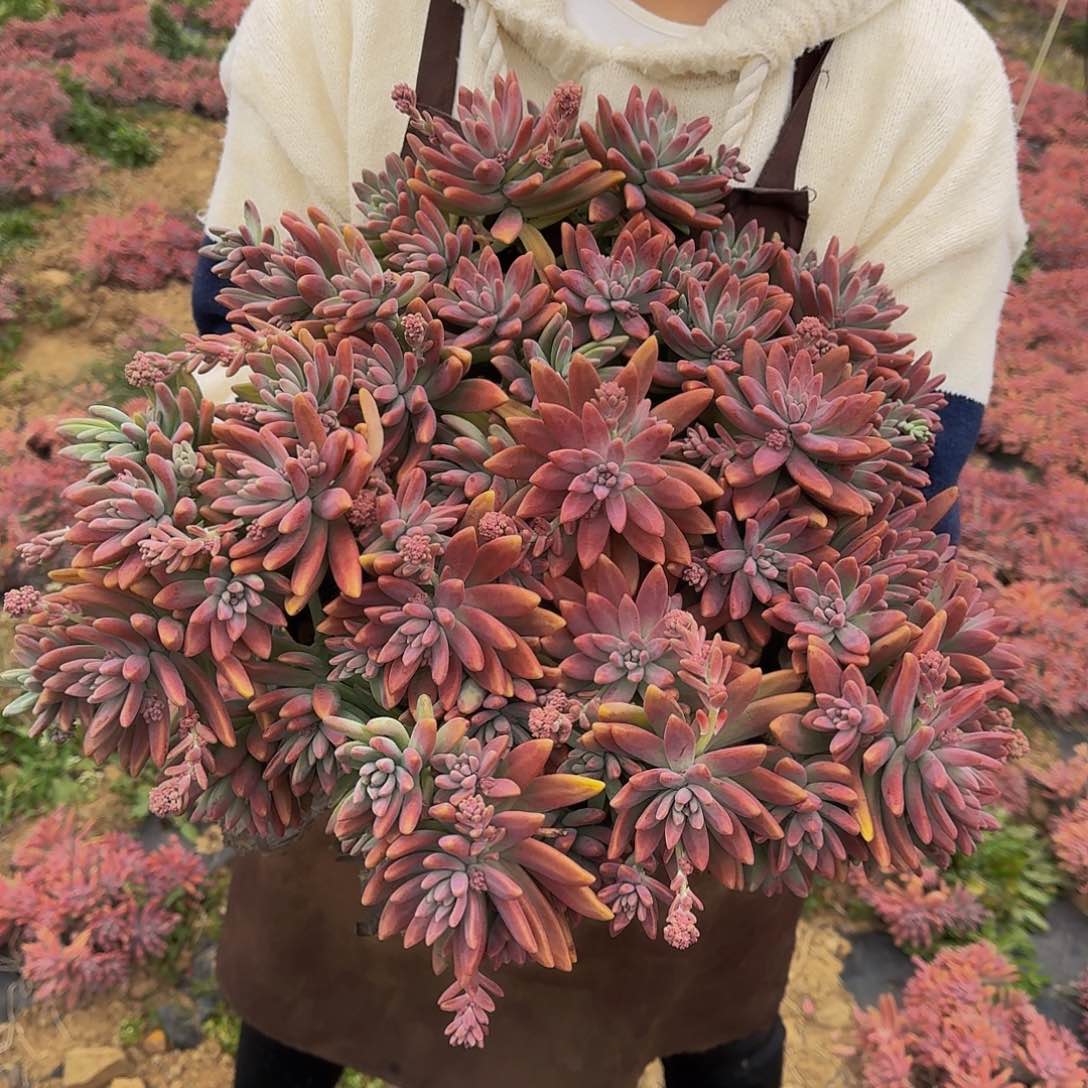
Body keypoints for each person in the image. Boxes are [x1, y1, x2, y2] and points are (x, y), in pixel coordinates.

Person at [192, 2, 1026, 1086]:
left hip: (717, 742)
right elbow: (238, 329)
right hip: (360, 701)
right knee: (301, 1006)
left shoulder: (923, 72)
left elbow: (914, 459)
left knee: (708, 1012)